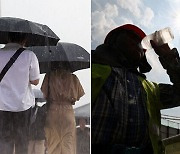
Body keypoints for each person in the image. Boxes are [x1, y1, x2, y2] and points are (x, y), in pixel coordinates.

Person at [91, 24, 180, 154]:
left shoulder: (150, 88)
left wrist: (169, 57)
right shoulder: (92, 71)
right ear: (114, 42)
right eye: (131, 37)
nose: (138, 43)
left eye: (140, 41)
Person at [0, 32, 40, 154]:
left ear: (8, 37)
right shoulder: (29, 55)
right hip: (22, 106)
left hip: (2, 105)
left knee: (4, 140)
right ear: (24, 39)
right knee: (21, 140)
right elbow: (35, 81)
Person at [41, 64, 85, 154]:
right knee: (68, 143)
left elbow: (44, 94)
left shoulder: (49, 76)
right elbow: (79, 94)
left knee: (53, 142)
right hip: (68, 111)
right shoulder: (73, 77)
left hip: (53, 111)